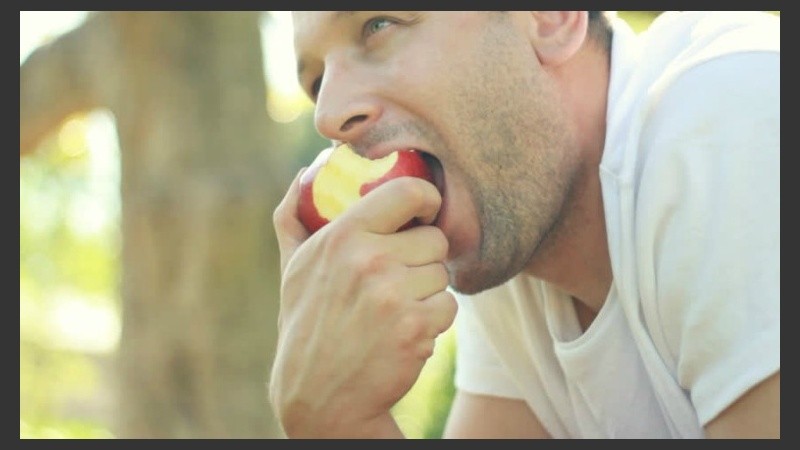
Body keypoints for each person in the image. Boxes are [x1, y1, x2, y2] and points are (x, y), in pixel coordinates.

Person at [268, 11, 780, 438]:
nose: (327, 116)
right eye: (316, 83)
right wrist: (341, 421)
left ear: (549, 16)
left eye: (378, 24)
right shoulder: (513, 233)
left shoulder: (736, 119)